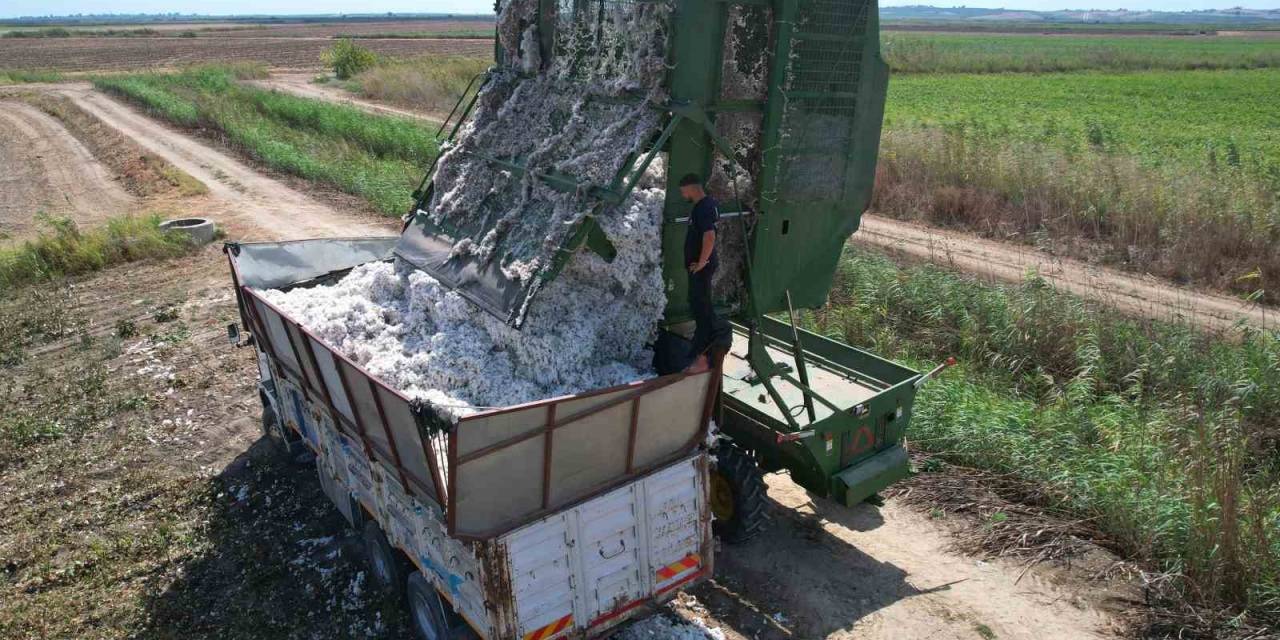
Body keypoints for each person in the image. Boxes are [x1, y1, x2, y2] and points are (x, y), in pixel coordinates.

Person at [679, 173, 720, 373]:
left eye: (683, 190)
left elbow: (710, 236)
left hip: (702, 267)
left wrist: (702, 262)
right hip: (701, 266)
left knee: (701, 305)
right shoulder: (706, 205)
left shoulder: (703, 207)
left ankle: (703, 350)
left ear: (691, 188)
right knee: (699, 303)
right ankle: (702, 345)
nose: (682, 194)